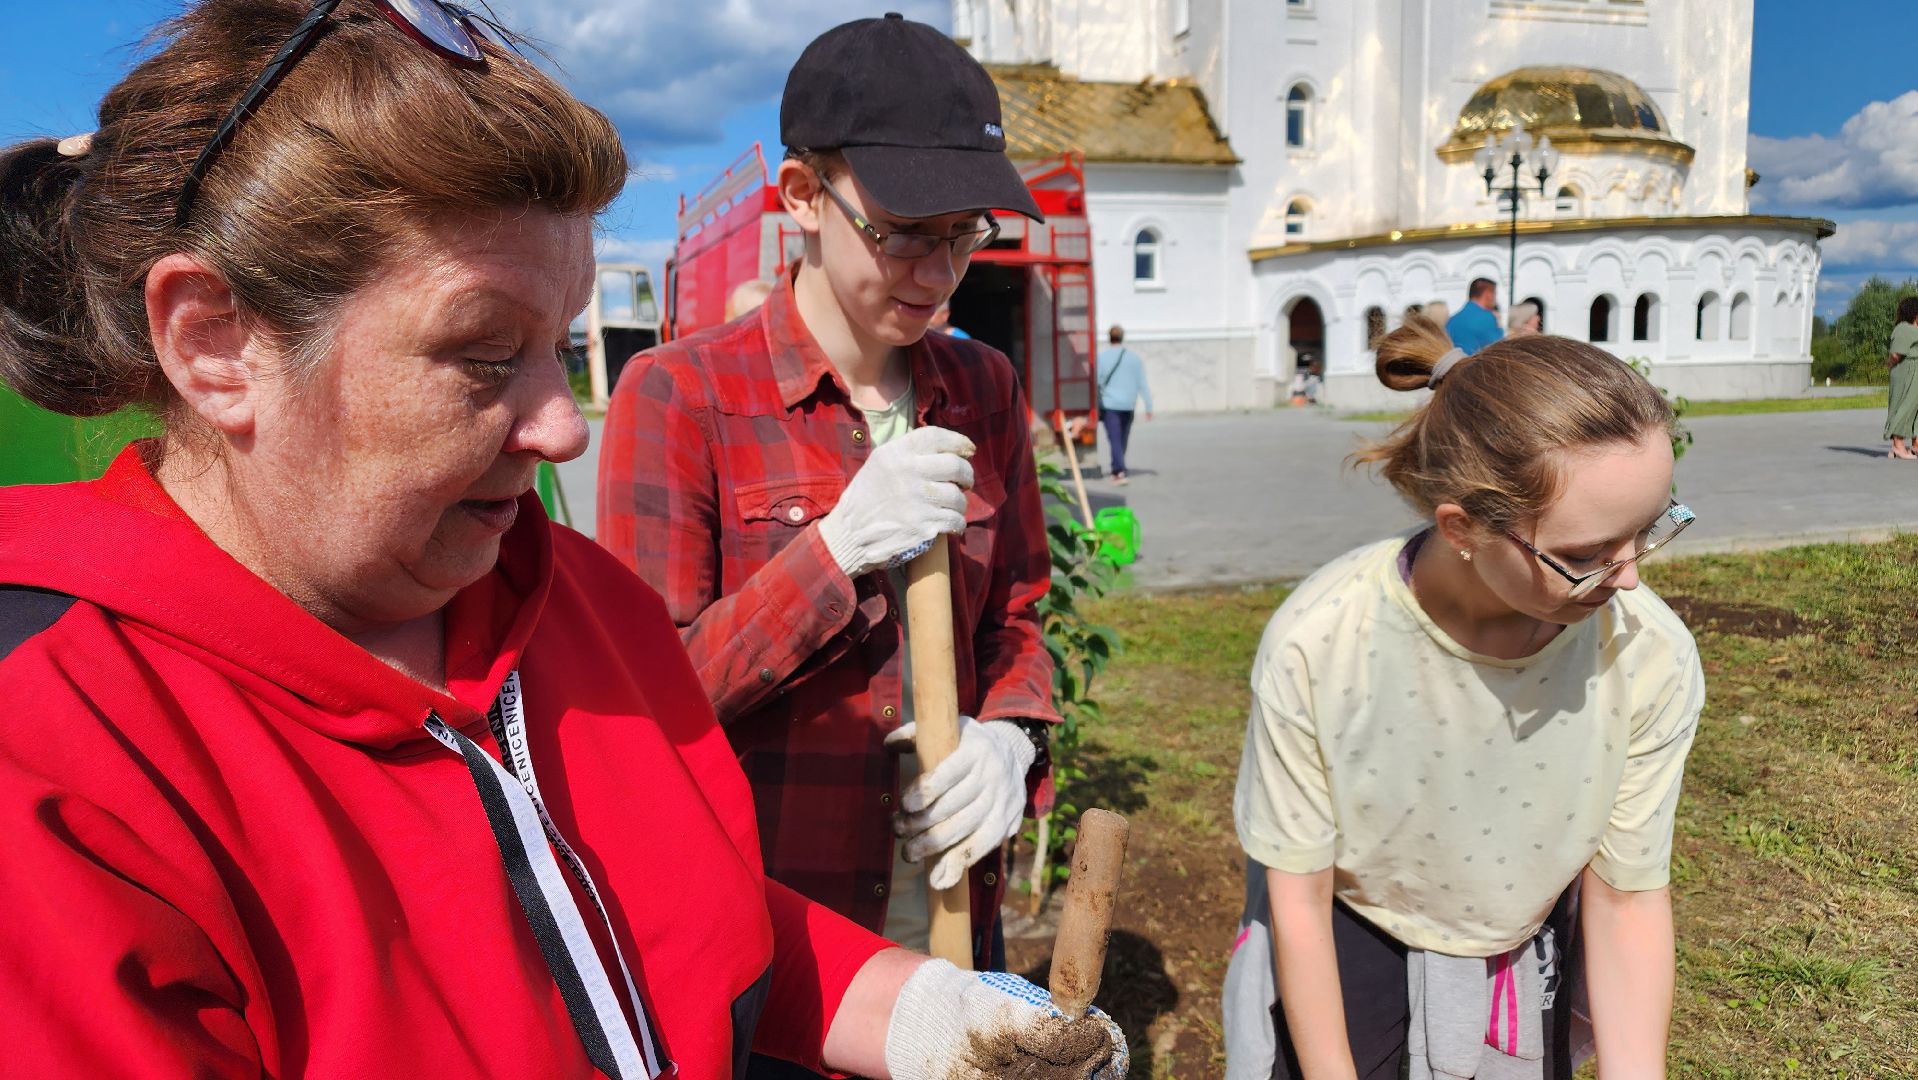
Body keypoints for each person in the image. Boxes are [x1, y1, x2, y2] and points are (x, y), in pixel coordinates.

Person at [0, 3, 1125, 1078]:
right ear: (216, 344)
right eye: (485, 353)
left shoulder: (582, 605)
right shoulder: (59, 757)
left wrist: (916, 1008)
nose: (563, 426)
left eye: (560, 342)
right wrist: (833, 553)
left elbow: (690, 914)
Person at [596, 14, 1064, 1062]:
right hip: (776, 931)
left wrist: (1011, 738)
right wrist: (835, 551)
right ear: (803, 198)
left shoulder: (982, 387)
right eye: (901, 230)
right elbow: (647, 698)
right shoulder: (680, 396)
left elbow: (1021, 619)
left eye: (963, 232)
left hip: (945, 910)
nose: (937, 270)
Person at [1222, 319, 1704, 1079]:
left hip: (1523, 944)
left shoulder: (1647, 655)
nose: (1632, 577)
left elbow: (1626, 903)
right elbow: (1301, 901)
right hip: (1349, 937)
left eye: (1649, 530)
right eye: (1585, 556)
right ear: (1464, 528)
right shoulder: (1322, 641)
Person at [1095, 324, 1155, 483]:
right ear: (1122, 338)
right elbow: (1142, 383)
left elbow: (1097, 381)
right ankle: (1119, 466)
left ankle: (1118, 470)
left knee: (1114, 439)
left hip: (1110, 405)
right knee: (1122, 438)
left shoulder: (1102, 358)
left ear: (1109, 338)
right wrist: (1148, 406)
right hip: (1128, 405)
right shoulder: (1134, 358)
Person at [1884, 296, 1918, 459]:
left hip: (1914, 371)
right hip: (1907, 371)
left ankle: (1916, 446)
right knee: (1904, 406)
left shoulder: (1914, 328)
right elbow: (1896, 354)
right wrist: (1889, 364)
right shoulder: (1904, 328)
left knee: (1915, 409)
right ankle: (1898, 446)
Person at [1446, 278, 1504, 355]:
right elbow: (1500, 348)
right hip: (1476, 365)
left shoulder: (1451, 320)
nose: (1495, 299)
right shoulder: (1488, 317)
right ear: (1488, 294)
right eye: (1495, 294)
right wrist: (1500, 326)